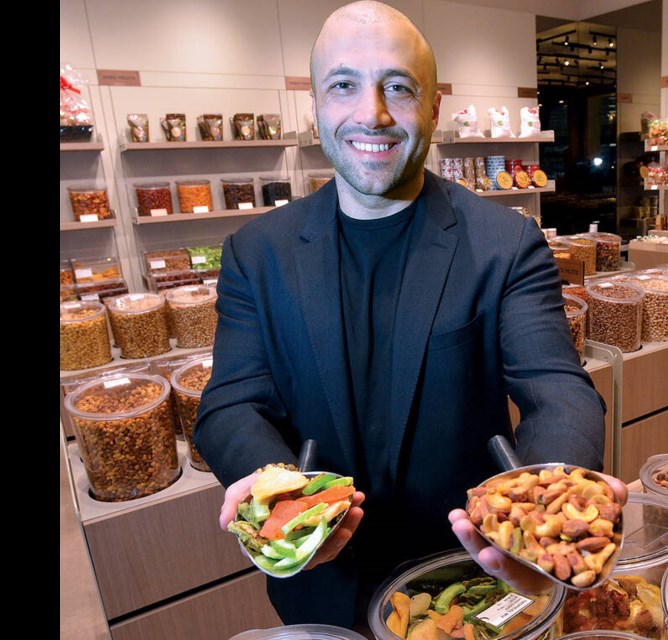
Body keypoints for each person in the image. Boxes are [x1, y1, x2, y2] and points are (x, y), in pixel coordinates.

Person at [195, 0, 617, 629]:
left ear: (434, 108)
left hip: (472, 580)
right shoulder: (257, 253)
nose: (373, 112)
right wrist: (275, 498)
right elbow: (231, 404)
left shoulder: (505, 243)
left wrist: (547, 499)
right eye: (344, 85)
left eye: (398, 86)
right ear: (316, 107)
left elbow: (557, 390)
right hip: (321, 584)